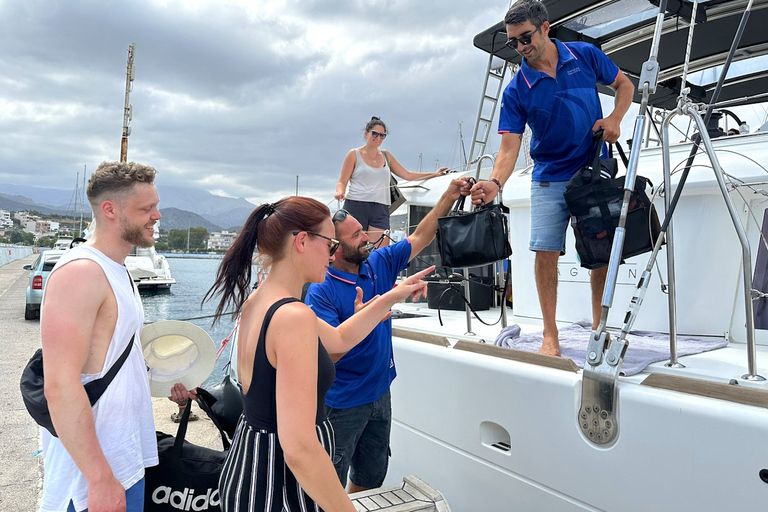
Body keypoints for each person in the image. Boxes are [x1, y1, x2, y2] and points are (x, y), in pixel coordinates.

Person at [204, 196, 434, 512]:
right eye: (329, 243)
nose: (332, 253)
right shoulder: (293, 317)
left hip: (251, 463)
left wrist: (393, 295)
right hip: (280, 481)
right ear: (301, 242)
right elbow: (299, 448)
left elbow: (339, 340)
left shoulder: (259, 301)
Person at [470, 0, 635, 356]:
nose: (520, 47)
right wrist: (495, 183)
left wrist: (616, 119)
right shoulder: (517, 89)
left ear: (545, 28)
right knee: (545, 253)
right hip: (548, 178)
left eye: (525, 37)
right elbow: (509, 148)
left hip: (592, 172)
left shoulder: (586, 56)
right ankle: (550, 335)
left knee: (600, 255)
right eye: (513, 42)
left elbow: (625, 86)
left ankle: (599, 328)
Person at [40, 161, 195, 512]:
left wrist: (170, 379)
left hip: (124, 457)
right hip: (89, 476)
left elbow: (112, 359)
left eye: (155, 206)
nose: (157, 216)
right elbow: (60, 387)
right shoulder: (81, 273)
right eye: (146, 208)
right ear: (110, 209)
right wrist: (99, 478)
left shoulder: (118, 270)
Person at [305, 177, 471, 494]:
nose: (366, 238)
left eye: (363, 230)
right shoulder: (320, 291)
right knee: (329, 482)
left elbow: (422, 235)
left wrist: (449, 196)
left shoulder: (379, 262)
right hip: (342, 404)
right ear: (335, 248)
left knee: (371, 477)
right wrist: (358, 323)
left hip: (381, 393)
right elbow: (328, 356)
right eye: (356, 236)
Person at [334, 116, 450, 247]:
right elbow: (342, 182)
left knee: (378, 253)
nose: (378, 138)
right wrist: (340, 192)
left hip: (380, 209)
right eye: (375, 134)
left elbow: (407, 175)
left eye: (382, 135)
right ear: (367, 133)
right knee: (352, 250)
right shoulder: (353, 154)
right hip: (356, 205)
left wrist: (434, 174)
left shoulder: (386, 156)